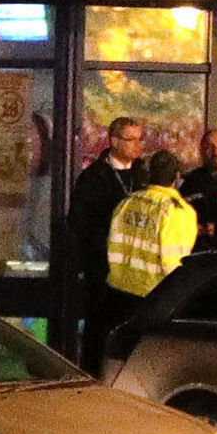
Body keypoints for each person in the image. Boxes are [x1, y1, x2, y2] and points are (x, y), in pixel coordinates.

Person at [99, 150, 198, 365]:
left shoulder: (126, 203)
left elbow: (111, 245)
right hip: (152, 298)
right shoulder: (178, 211)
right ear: (177, 177)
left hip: (117, 294)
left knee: (116, 365)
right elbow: (175, 264)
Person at [67, 116, 144, 328]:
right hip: (103, 270)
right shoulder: (93, 177)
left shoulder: (143, 175)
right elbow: (78, 222)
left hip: (136, 272)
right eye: (131, 139)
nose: (137, 145)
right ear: (114, 141)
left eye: (140, 139)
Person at [178, 127, 217, 245]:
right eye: (209, 147)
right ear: (201, 151)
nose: (216, 152)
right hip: (198, 252)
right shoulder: (191, 183)